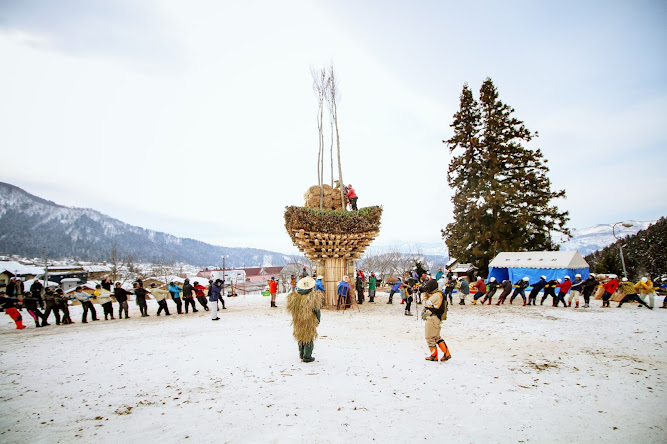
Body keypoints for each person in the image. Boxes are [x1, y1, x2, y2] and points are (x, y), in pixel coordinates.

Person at [286, 276, 322, 363]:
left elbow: (291, 309)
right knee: (308, 338)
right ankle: (307, 356)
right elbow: (317, 310)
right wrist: (318, 319)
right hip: (308, 321)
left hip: (297, 321)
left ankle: (301, 353)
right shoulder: (313, 297)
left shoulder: (294, 297)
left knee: (300, 337)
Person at [422, 282, 451, 362]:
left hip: (432, 318)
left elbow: (426, 303)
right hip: (436, 318)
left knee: (429, 337)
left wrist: (422, 294)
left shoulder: (436, 296)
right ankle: (446, 353)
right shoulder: (439, 294)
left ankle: (434, 355)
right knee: (436, 337)